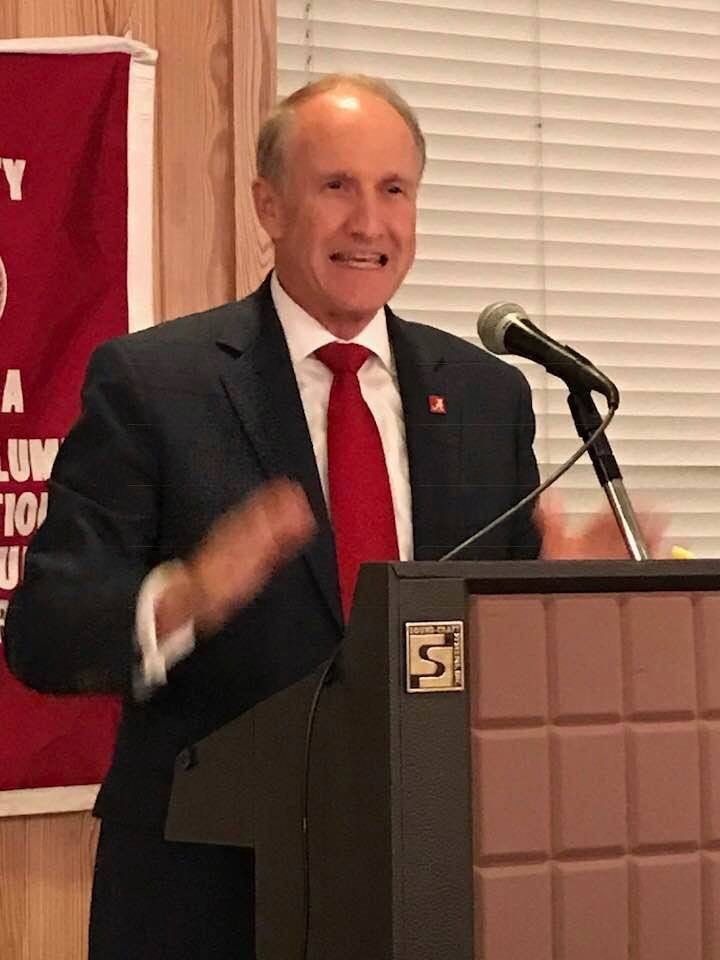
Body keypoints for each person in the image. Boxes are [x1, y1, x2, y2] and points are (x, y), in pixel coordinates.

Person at [4, 74, 658, 960]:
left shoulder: (481, 394)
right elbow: (44, 631)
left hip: (429, 872)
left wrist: (563, 601)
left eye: (394, 190)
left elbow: (494, 640)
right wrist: (186, 595)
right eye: (336, 187)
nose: (369, 223)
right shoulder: (158, 384)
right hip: (208, 890)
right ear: (268, 206)